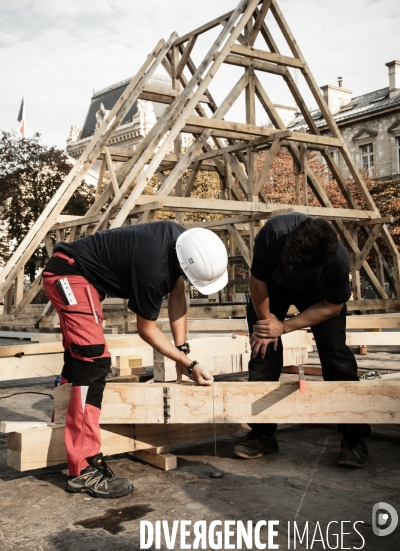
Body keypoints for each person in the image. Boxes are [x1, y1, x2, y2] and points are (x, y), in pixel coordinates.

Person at [43, 221, 228, 498]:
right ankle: (84, 470)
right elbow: (146, 329)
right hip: (68, 275)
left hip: (76, 274)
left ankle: (63, 424)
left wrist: (183, 352)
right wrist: (189, 365)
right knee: (93, 361)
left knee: (81, 356)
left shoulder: (182, 241)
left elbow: (177, 296)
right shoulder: (153, 269)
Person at [233, 212, 370, 468]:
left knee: (336, 356)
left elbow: (332, 307)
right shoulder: (273, 233)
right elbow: (258, 279)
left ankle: (354, 437)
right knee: (263, 351)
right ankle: (263, 434)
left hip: (319, 297)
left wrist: (284, 326)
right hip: (272, 289)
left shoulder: (337, 261)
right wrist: (266, 325)